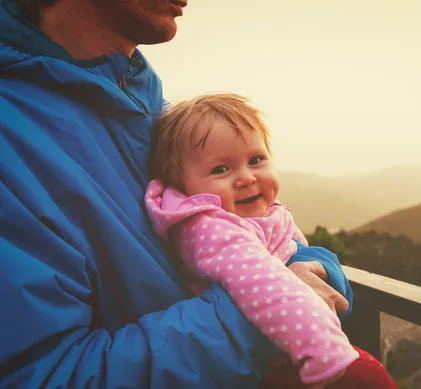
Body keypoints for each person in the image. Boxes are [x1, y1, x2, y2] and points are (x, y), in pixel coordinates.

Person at [0, 0, 397, 388]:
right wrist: (272, 307)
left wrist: (314, 265)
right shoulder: (13, 137)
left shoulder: (151, 110)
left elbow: (273, 233)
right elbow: (39, 373)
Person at [144, 93, 360, 387]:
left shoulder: (262, 212)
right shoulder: (208, 228)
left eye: (256, 159)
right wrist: (322, 346)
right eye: (221, 169)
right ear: (182, 185)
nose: (246, 177)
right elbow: (263, 283)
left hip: (279, 347)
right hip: (253, 369)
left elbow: (300, 251)